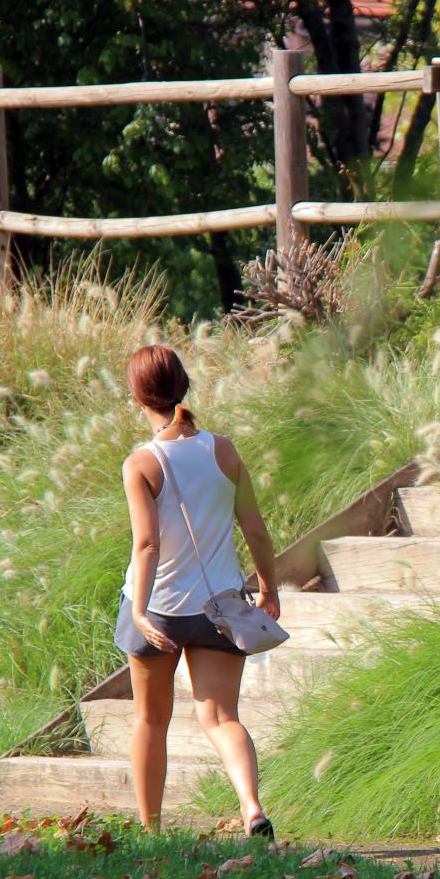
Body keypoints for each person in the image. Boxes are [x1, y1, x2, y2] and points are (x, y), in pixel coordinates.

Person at [115, 343, 280, 837]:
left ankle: (152, 832)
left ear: (135, 398)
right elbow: (255, 529)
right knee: (221, 716)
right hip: (219, 609)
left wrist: (141, 611)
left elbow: (146, 544)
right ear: (183, 388)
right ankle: (252, 808)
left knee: (151, 720)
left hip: (159, 607)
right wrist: (269, 588)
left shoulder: (141, 463)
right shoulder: (223, 449)